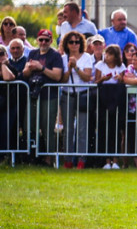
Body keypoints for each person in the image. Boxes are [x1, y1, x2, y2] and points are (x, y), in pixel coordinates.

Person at [22, 29, 64, 162]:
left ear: (51, 41)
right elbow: (25, 74)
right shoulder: (33, 53)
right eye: (41, 39)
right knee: (30, 125)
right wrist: (28, 69)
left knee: (47, 127)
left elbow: (57, 76)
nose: (43, 42)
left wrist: (41, 68)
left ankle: (49, 158)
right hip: (34, 94)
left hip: (49, 95)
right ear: (37, 40)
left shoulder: (55, 55)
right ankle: (32, 156)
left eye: (47, 39)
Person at [59, 31, 94, 169]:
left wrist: (76, 67)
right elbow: (63, 79)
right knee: (67, 129)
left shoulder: (86, 57)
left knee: (81, 129)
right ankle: (67, 160)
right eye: (71, 42)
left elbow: (87, 77)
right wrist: (68, 69)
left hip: (82, 95)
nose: (74, 45)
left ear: (81, 43)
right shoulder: (63, 58)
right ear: (66, 44)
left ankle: (81, 160)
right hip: (67, 95)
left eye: (77, 42)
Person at [92, 44, 126, 169]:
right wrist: (103, 78)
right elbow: (96, 81)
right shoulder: (100, 65)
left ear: (116, 56)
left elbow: (123, 80)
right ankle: (106, 161)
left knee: (115, 128)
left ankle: (115, 160)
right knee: (103, 128)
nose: (107, 56)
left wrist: (120, 78)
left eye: (110, 54)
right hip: (103, 97)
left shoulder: (121, 66)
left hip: (116, 97)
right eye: (106, 53)